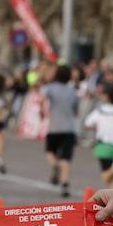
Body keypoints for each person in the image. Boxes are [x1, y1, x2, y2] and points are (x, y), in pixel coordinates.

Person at [42, 64, 79, 199]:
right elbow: (76, 111)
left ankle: (54, 165)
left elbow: (42, 99)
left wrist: (42, 111)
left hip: (54, 127)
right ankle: (65, 184)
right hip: (68, 128)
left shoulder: (50, 88)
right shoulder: (73, 91)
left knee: (49, 152)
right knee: (66, 159)